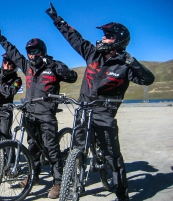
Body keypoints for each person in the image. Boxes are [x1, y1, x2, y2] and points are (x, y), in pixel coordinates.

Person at [45, 3, 155, 201]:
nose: (103, 38)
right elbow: (74, 38)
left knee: (112, 156)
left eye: (107, 35)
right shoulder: (92, 54)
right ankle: (74, 182)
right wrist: (56, 19)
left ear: (118, 40)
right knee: (76, 150)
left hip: (105, 114)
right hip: (83, 110)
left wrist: (132, 62)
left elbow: (148, 80)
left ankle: (121, 193)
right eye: (104, 35)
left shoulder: (125, 66)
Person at [0, 22, 78, 199]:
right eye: (30, 51)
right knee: (32, 148)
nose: (32, 54)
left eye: (35, 51)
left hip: (46, 114)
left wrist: (52, 63)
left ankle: (58, 182)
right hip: (29, 113)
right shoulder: (26, 66)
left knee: (51, 149)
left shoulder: (53, 66)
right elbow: (12, 51)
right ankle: (33, 176)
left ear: (42, 51)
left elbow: (72, 77)